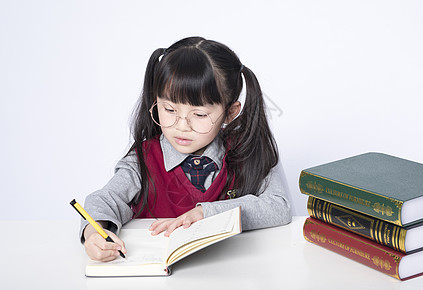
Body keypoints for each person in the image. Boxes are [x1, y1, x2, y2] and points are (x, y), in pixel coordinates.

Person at [80, 36, 291, 262]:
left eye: (199, 115)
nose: (181, 126)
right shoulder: (143, 160)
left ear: (230, 112)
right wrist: (95, 233)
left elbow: (279, 206)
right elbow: (105, 200)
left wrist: (206, 213)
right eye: (169, 110)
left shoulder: (249, 152)